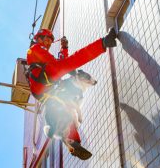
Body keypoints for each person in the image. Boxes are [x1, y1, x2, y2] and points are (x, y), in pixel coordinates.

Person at [26, 28, 117, 159]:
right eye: (46, 40)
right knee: (69, 63)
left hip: (47, 91)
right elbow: (58, 64)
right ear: (38, 38)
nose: (48, 43)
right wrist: (69, 67)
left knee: (67, 110)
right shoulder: (34, 49)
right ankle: (103, 43)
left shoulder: (42, 53)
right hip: (40, 83)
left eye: (50, 42)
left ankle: (74, 142)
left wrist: (64, 48)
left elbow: (59, 64)